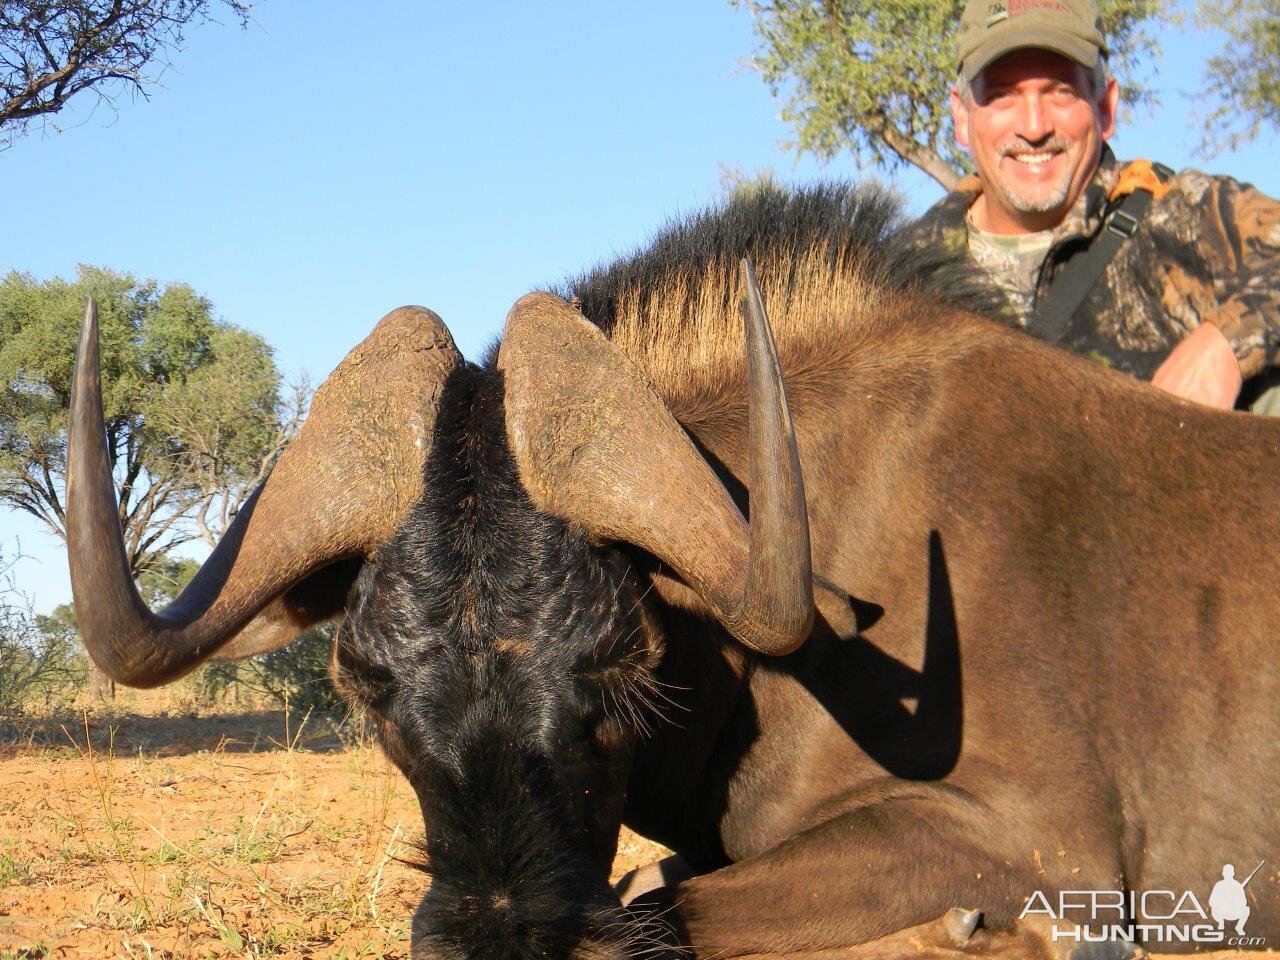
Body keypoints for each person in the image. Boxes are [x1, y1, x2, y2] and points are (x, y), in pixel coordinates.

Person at [909, 0, 1280, 413]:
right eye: (1002, 96)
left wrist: (1225, 344)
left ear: (1105, 107)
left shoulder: (1181, 212)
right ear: (961, 116)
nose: (1034, 127)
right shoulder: (901, 272)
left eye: (1061, 93)